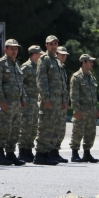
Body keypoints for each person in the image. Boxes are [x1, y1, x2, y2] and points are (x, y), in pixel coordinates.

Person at [0, 39, 26, 166]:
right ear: (5, 49)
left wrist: (23, 99)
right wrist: (1, 100)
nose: (14, 51)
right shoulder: (0, 64)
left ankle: (10, 154)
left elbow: (20, 84)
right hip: (5, 102)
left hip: (16, 103)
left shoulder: (16, 64)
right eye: (11, 48)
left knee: (15, 129)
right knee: (3, 128)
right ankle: (0, 156)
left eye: (16, 49)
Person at [34, 35, 67, 166]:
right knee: (45, 127)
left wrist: (64, 100)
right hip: (48, 99)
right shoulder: (44, 60)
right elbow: (41, 80)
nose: (53, 46)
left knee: (53, 128)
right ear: (46, 45)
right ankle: (40, 155)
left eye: (55, 43)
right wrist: (46, 98)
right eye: (51, 44)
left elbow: (63, 84)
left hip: (57, 100)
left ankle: (47, 153)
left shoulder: (57, 61)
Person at [69, 54, 99, 163]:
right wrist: (76, 110)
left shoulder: (92, 77)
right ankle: (75, 154)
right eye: (90, 62)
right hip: (81, 109)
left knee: (90, 132)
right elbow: (74, 95)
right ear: (84, 62)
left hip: (91, 110)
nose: (92, 63)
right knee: (78, 131)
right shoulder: (77, 77)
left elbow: (94, 95)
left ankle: (87, 153)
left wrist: (96, 108)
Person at [18, 45, 42, 162]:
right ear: (34, 54)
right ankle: (22, 151)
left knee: (33, 127)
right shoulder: (26, 67)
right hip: (27, 101)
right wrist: (22, 97)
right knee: (25, 126)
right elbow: (19, 82)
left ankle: (28, 150)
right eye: (39, 54)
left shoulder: (38, 67)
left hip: (35, 100)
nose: (41, 56)